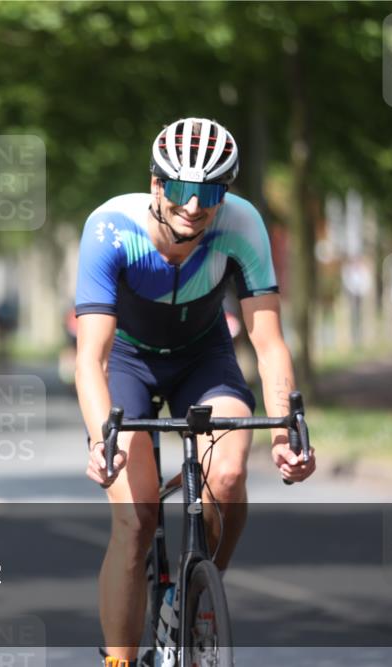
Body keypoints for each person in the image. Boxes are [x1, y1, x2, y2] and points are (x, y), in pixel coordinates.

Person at [74, 117, 317, 665]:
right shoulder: (110, 228)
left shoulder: (242, 225)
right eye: (181, 189)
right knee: (135, 523)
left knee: (228, 475)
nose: (193, 205)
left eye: (208, 193)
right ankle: (117, 661)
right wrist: (100, 439)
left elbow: (269, 341)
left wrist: (285, 428)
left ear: (223, 193)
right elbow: (90, 357)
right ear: (157, 184)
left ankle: (203, 591)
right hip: (129, 363)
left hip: (203, 360)